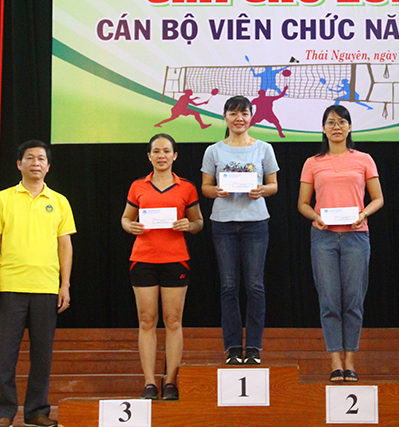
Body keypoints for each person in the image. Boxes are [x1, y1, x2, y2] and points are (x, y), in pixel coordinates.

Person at [0, 140, 75, 427]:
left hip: (46, 288)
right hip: (10, 286)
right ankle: (3, 413)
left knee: (42, 355)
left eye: (41, 159)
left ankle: (37, 411)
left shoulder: (59, 201)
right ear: (19, 164)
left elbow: (65, 245)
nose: (36, 163)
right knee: (5, 354)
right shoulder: (2, 199)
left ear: (48, 166)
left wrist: (65, 285)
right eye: (30, 158)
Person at [297, 105, 383, 383]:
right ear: (323, 129)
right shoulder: (312, 162)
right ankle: (335, 361)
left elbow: (378, 198)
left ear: (349, 127)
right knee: (330, 301)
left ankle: (350, 362)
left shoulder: (364, 159)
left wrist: (363, 214)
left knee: (353, 301)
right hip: (323, 238)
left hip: (356, 237)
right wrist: (316, 217)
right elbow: (303, 204)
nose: (337, 127)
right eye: (331, 122)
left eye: (342, 122)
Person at [121, 134, 203, 401]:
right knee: (147, 321)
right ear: (149, 156)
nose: (161, 156)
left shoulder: (186, 187)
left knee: (173, 321)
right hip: (143, 260)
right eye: (156, 151)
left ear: (174, 155)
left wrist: (189, 225)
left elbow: (198, 222)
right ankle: (149, 382)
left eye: (166, 151)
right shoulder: (138, 186)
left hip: (175, 259)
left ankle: (170, 382)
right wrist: (130, 226)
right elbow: (125, 218)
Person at [201, 96, 279, 365]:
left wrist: (262, 190)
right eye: (233, 113)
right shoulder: (214, 151)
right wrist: (216, 191)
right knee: (228, 286)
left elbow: (273, 185)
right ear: (225, 117)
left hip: (256, 223)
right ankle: (233, 348)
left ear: (251, 117)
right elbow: (205, 187)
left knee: (255, 286)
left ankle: (254, 347)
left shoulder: (264, 148)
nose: (239, 118)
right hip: (223, 224)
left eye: (244, 113)